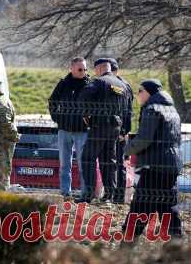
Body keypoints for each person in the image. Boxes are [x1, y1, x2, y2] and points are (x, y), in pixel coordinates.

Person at [122, 79, 183, 237]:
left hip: (154, 166)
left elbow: (144, 139)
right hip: (171, 164)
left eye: (140, 91)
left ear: (148, 92)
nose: (138, 95)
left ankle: (128, 242)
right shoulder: (172, 110)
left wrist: (127, 149)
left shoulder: (151, 109)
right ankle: (177, 241)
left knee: (141, 205)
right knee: (167, 205)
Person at [75, 58, 128, 203]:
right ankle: (109, 195)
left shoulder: (99, 82)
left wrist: (86, 114)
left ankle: (89, 194)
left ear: (99, 69)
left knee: (87, 158)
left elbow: (83, 96)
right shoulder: (121, 84)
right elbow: (126, 108)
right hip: (115, 127)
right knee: (108, 161)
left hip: (99, 125)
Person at [48, 57, 90, 198]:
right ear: (71, 68)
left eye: (85, 69)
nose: (83, 71)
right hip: (64, 130)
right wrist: (57, 118)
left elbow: (96, 106)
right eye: (80, 69)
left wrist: (89, 121)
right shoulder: (63, 84)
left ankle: (85, 193)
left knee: (83, 164)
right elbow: (52, 101)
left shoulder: (89, 84)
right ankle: (66, 192)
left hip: (82, 131)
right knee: (64, 165)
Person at [109, 58, 134, 203]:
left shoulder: (122, 86)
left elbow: (128, 111)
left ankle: (118, 197)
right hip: (112, 130)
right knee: (113, 164)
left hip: (119, 132)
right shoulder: (122, 84)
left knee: (119, 164)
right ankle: (114, 196)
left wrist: (124, 132)